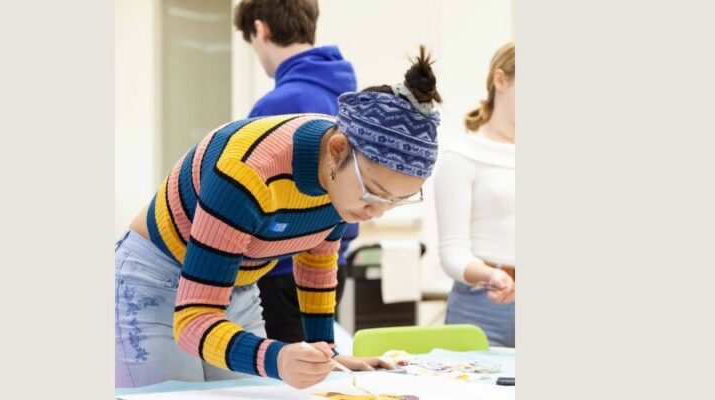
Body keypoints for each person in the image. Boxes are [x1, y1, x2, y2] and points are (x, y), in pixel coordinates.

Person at [115, 46, 443, 389]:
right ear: (337, 151)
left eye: (396, 201)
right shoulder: (247, 173)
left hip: (237, 287)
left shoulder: (346, 181)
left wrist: (324, 351)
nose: (376, 211)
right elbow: (194, 319)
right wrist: (277, 358)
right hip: (152, 280)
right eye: (373, 192)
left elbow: (317, 259)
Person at [233, 0, 360, 343]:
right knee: (318, 367)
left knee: (286, 381)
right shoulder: (349, 95)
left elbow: (242, 198)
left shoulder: (276, 106)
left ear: (261, 29)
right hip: (335, 262)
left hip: (283, 271)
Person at [434, 42, 516, 347]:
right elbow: (452, 252)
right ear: (500, 80)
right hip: (482, 308)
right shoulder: (462, 155)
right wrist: (491, 276)